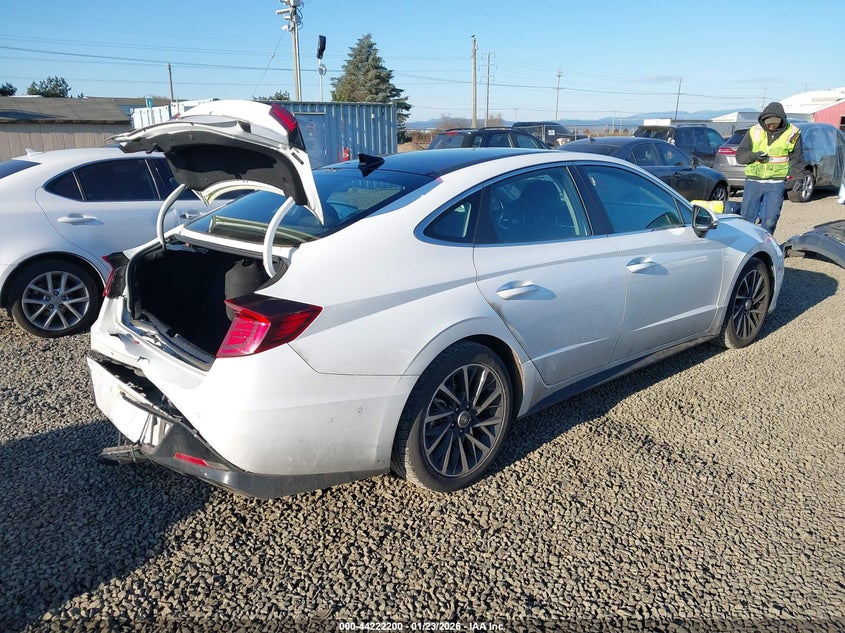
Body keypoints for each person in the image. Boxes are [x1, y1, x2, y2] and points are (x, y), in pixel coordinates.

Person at [736, 101, 804, 234]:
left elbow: (798, 159)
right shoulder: (754, 131)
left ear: (781, 121)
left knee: (771, 219)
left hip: (776, 183)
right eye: (768, 124)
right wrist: (754, 156)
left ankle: (766, 245)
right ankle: (747, 245)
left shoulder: (793, 133)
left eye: (775, 123)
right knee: (747, 218)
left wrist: (798, 179)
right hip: (754, 182)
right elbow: (740, 156)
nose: (771, 126)